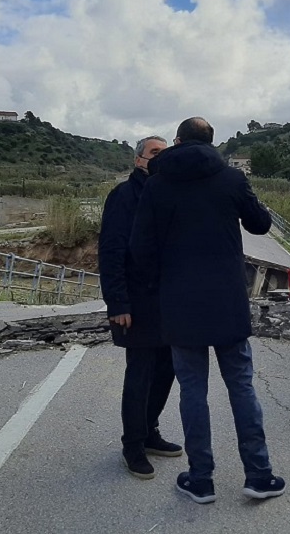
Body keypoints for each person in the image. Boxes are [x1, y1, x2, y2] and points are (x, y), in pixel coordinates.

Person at [130, 117, 285, 504]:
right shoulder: (230, 179)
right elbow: (261, 224)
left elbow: (141, 248)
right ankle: (259, 475)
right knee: (242, 387)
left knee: (192, 392)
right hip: (228, 302)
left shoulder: (157, 184)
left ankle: (201, 479)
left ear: (179, 141)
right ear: (212, 142)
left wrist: (157, 288)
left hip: (180, 305)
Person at [99, 135, 182, 480]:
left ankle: (149, 432)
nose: (160, 159)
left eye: (165, 153)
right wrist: (117, 302)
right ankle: (132, 444)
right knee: (140, 374)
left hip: (168, 301)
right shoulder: (123, 196)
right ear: (138, 160)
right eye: (154, 153)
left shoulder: (169, 192)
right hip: (136, 302)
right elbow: (111, 251)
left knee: (167, 370)